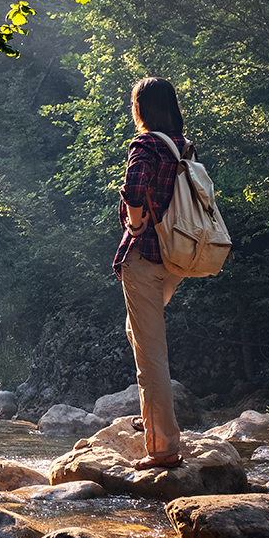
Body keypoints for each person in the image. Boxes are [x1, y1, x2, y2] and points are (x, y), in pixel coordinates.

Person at [113, 77, 189, 469]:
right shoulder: (182, 147)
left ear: (140, 109)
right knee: (137, 331)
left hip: (144, 256)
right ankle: (154, 418)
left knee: (150, 355)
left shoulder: (146, 144)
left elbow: (134, 185)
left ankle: (162, 448)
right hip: (174, 258)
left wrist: (138, 224)